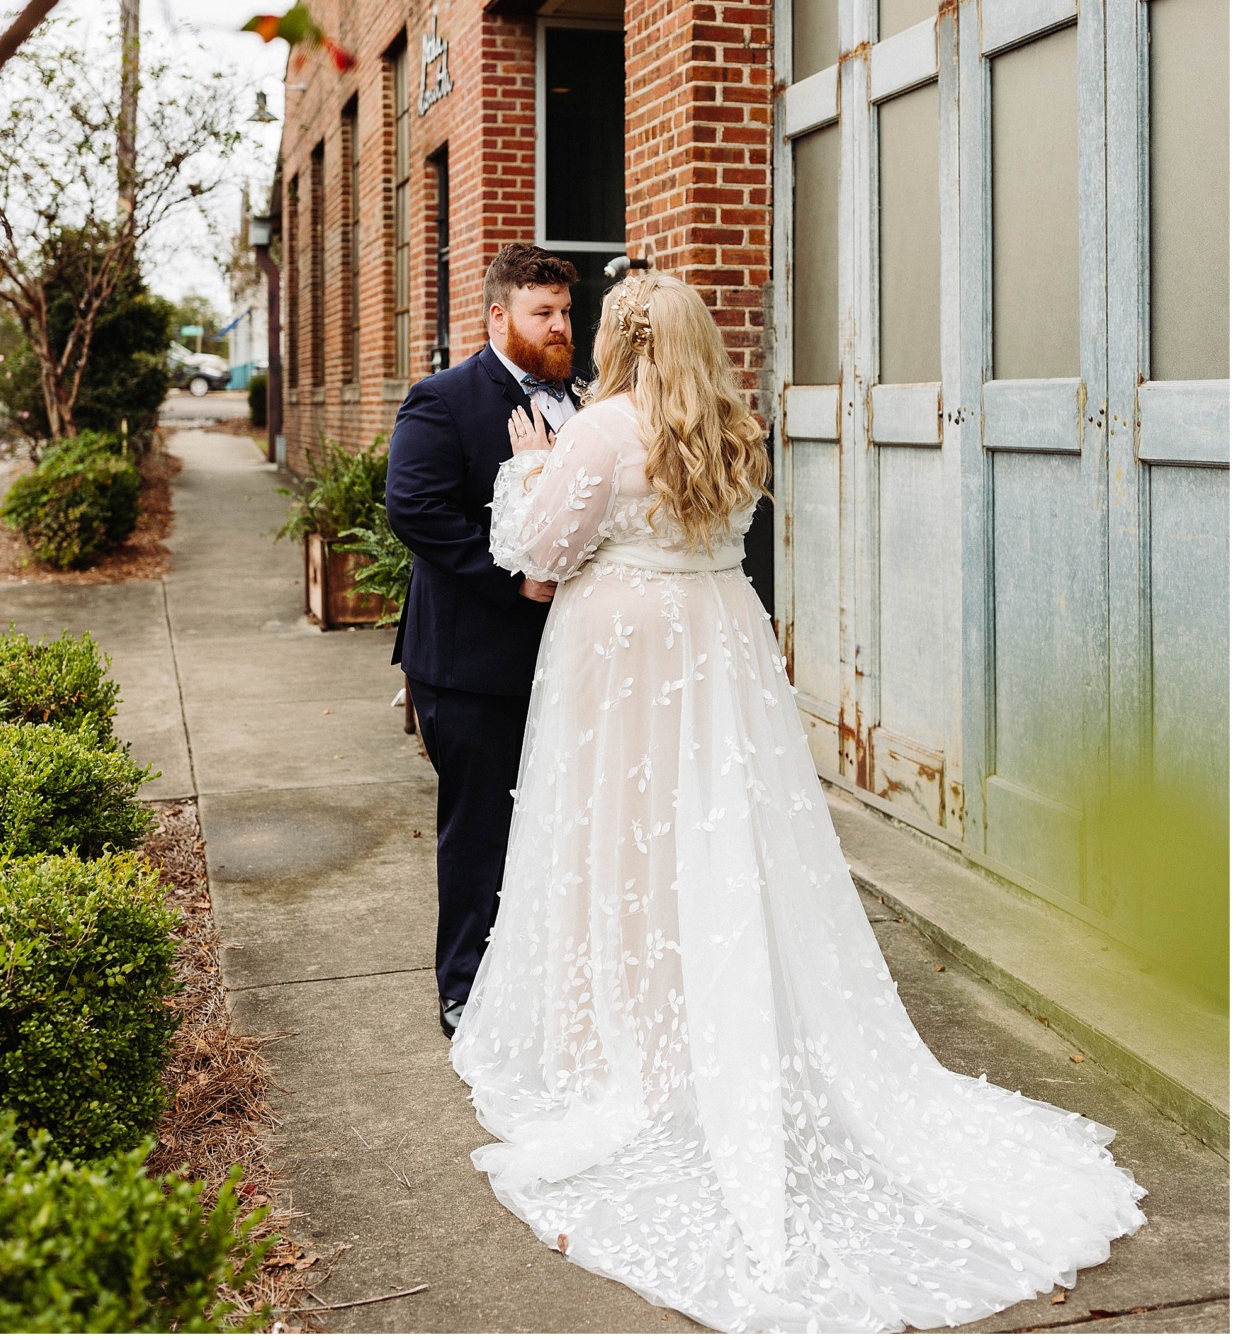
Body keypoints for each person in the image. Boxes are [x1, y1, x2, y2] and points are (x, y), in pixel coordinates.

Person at [450, 271, 1145, 1334]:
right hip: (719, 638)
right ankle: (714, 1015)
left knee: (628, 844)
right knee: (722, 836)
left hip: (627, 646)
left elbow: (538, 552)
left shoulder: (599, 427)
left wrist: (529, 467)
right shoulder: (735, 425)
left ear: (620, 340)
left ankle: (633, 1044)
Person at [385, 243, 582, 1040]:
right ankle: (463, 988)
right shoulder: (443, 399)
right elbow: (417, 511)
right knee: (479, 832)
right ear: (499, 316)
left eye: (567, 311)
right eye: (545, 312)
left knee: (553, 822)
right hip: (468, 665)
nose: (563, 325)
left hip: (562, 656)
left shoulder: (585, 399)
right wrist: (515, 579)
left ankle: (537, 978)